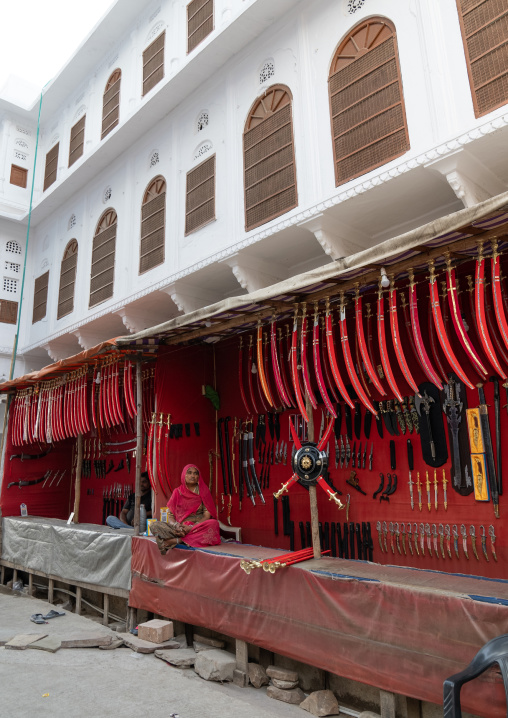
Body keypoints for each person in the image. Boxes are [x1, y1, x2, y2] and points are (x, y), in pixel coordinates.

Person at [150, 464, 221, 554]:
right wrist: (177, 526)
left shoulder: (203, 491)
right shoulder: (177, 492)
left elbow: (207, 516)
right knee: (154, 526)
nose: (193, 476)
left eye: (195, 473)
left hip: (198, 527)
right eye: (189, 473)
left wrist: (191, 527)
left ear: (198, 476)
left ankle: (177, 541)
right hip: (180, 528)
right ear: (184, 475)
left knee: (213, 523)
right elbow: (170, 516)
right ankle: (184, 537)